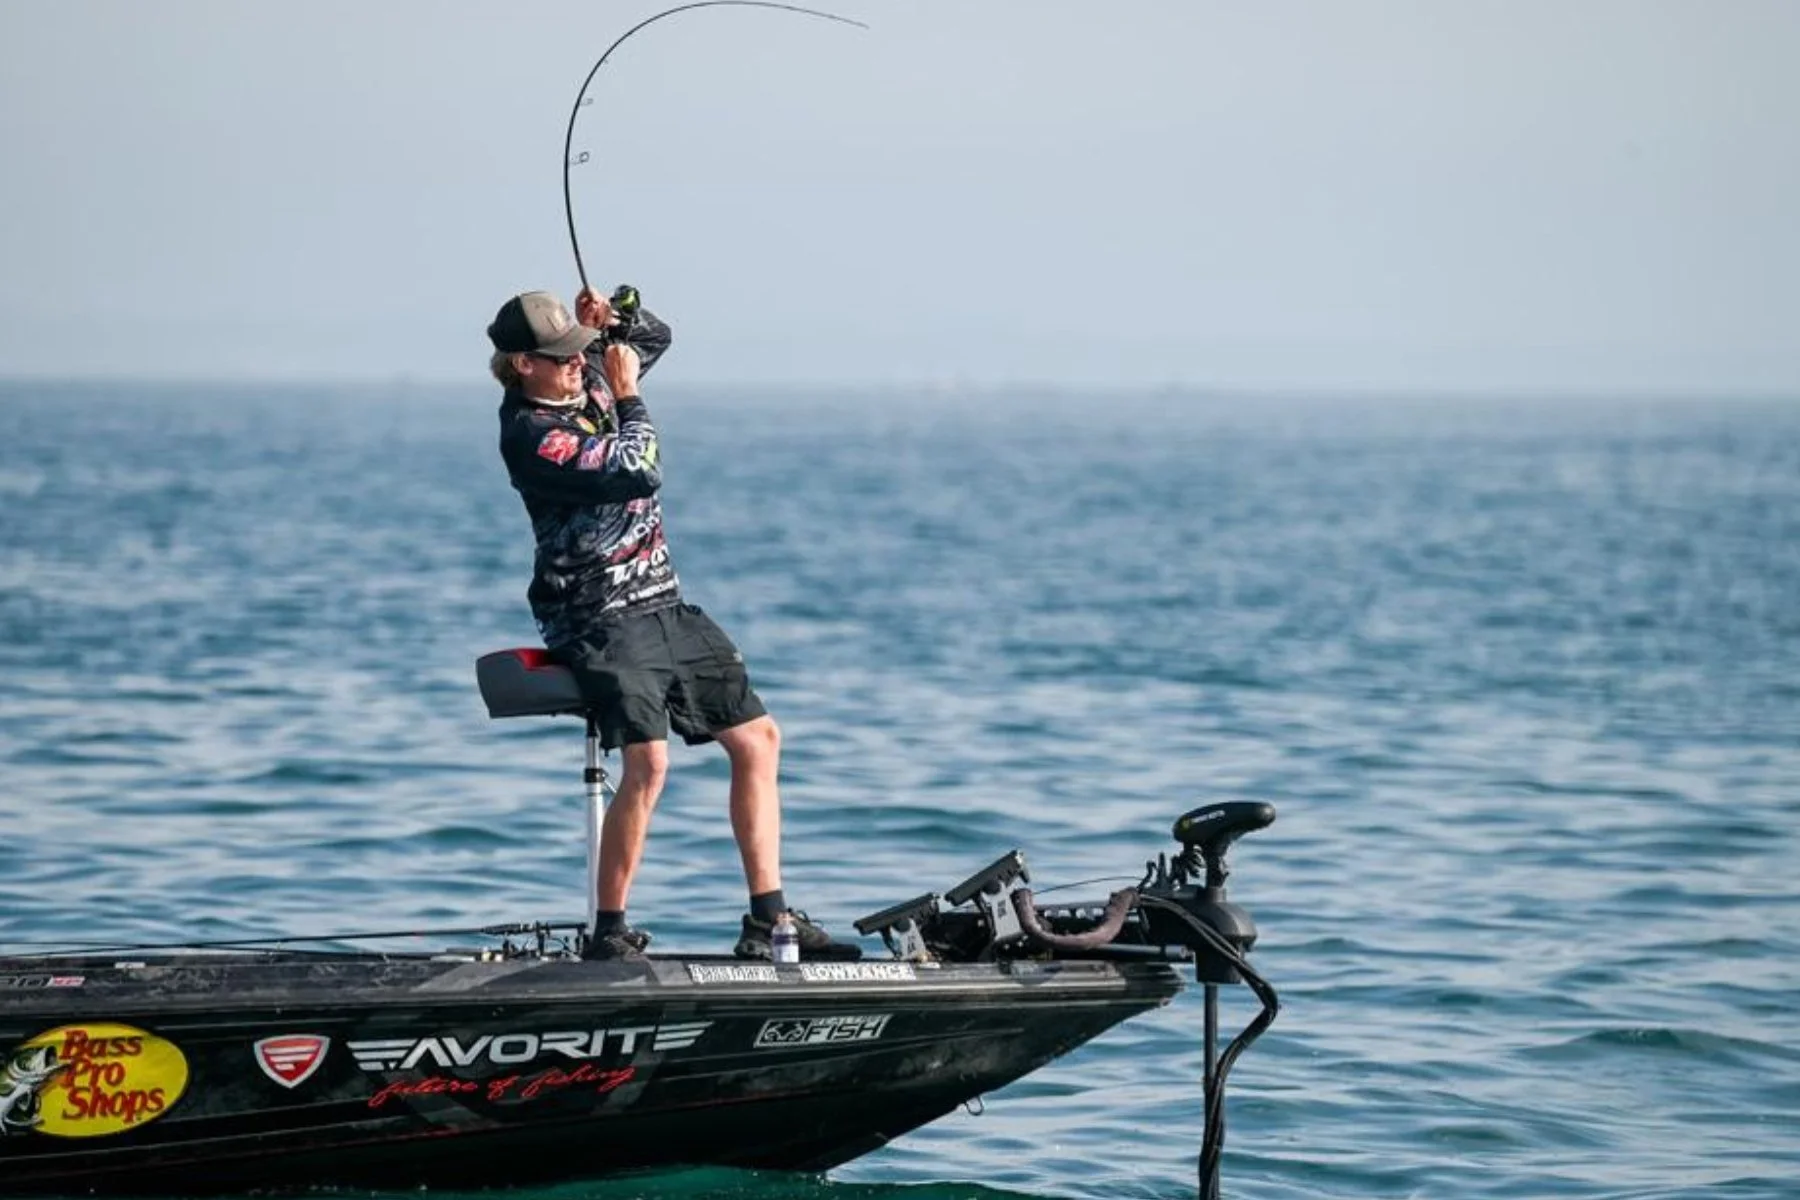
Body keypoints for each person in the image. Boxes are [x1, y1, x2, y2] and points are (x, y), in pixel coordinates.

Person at [486, 287, 860, 963]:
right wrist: (628, 395)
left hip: (663, 601)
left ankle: (768, 918)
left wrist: (614, 318)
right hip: (596, 617)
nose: (576, 363)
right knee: (650, 763)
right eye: (561, 357)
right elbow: (639, 469)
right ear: (522, 365)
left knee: (758, 739)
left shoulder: (584, 374)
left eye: (577, 353)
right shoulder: (532, 436)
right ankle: (609, 931)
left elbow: (654, 337)